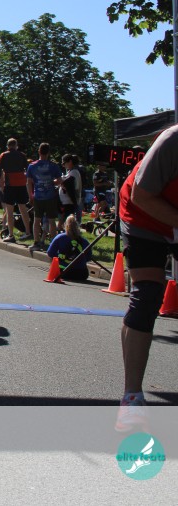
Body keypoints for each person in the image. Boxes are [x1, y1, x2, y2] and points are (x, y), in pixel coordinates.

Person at [114, 124, 178, 432]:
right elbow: (142, 195)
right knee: (148, 295)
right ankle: (132, 396)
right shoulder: (172, 140)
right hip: (143, 214)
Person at [0, 138, 31, 244]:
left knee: (9, 211)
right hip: (21, 183)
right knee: (23, 208)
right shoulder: (22, 155)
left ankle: (11, 235)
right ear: (16, 146)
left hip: (10, 184)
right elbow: (28, 168)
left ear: (7, 146)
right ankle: (28, 232)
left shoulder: (3, 155)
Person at [26, 143, 61, 251]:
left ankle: (36, 242)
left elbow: (29, 182)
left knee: (37, 220)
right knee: (51, 221)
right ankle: (53, 244)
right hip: (50, 196)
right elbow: (59, 180)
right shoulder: (53, 166)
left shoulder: (32, 166)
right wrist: (51, 182)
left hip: (38, 196)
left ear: (39, 152)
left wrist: (30, 196)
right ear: (48, 153)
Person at [46, 214, 90, 281]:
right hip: (81, 274)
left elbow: (50, 252)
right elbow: (88, 257)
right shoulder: (84, 241)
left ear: (65, 225)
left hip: (63, 272)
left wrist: (60, 257)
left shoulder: (60, 237)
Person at [57, 154, 83, 229]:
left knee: (67, 222)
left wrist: (74, 202)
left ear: (70, 162)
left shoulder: (74, 172)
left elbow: (68, 186)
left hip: (69, 202)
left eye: (64, 163)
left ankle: (68, 234)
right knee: (63, 221)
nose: (63, 165)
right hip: (66, 202)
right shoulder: (71, 172)